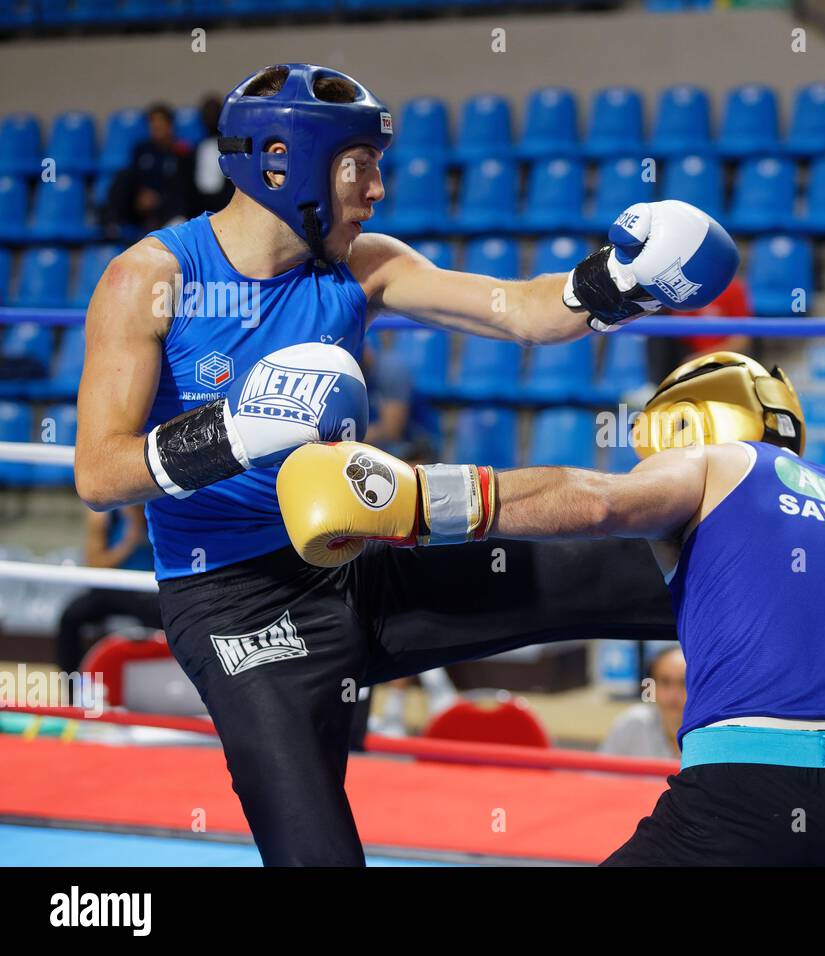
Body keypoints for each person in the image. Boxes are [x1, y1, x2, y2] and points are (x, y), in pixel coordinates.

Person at [74, 62, 739, 866]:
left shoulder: (363, 265)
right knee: (315, 852)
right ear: (282, 164)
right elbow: (99, 474)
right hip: (235, 608)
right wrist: (238, 430)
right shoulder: (152, 277)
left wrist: (615, 281)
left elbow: (521, 312)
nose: (378, 188)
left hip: (363, 564)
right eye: (361, 164)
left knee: (638, 570)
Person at [278, 352, 825, 865]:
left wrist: (419, 499)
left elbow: (596, 502)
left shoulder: (717, 462)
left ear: (690, 423)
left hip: (746, 796)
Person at [54, 505, 161, 674]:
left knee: (171, 620)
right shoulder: (103, 515)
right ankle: (72, 688)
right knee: (71, 616)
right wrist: (129, 542)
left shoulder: (162, 510)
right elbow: (95, 563)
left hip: (149, 589)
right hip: (112, 586)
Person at [102, 103, 198, 241]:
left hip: (167, 207)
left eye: (160, 126)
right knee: (123, 176)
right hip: (140, 206)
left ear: (169, 126)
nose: (156, 130)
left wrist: (158, 199)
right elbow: (135, 178)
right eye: (153, 126)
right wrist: (142, 196)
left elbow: (183, 187)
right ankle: (112, 224)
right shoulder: (142, 149)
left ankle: (175, 226)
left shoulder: (182, 152)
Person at [600, 646, 686, 760]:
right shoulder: (632, 724)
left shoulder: (713, 733)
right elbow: (598, 775)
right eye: (665, 682)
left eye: (684, 683)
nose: (673, 694)